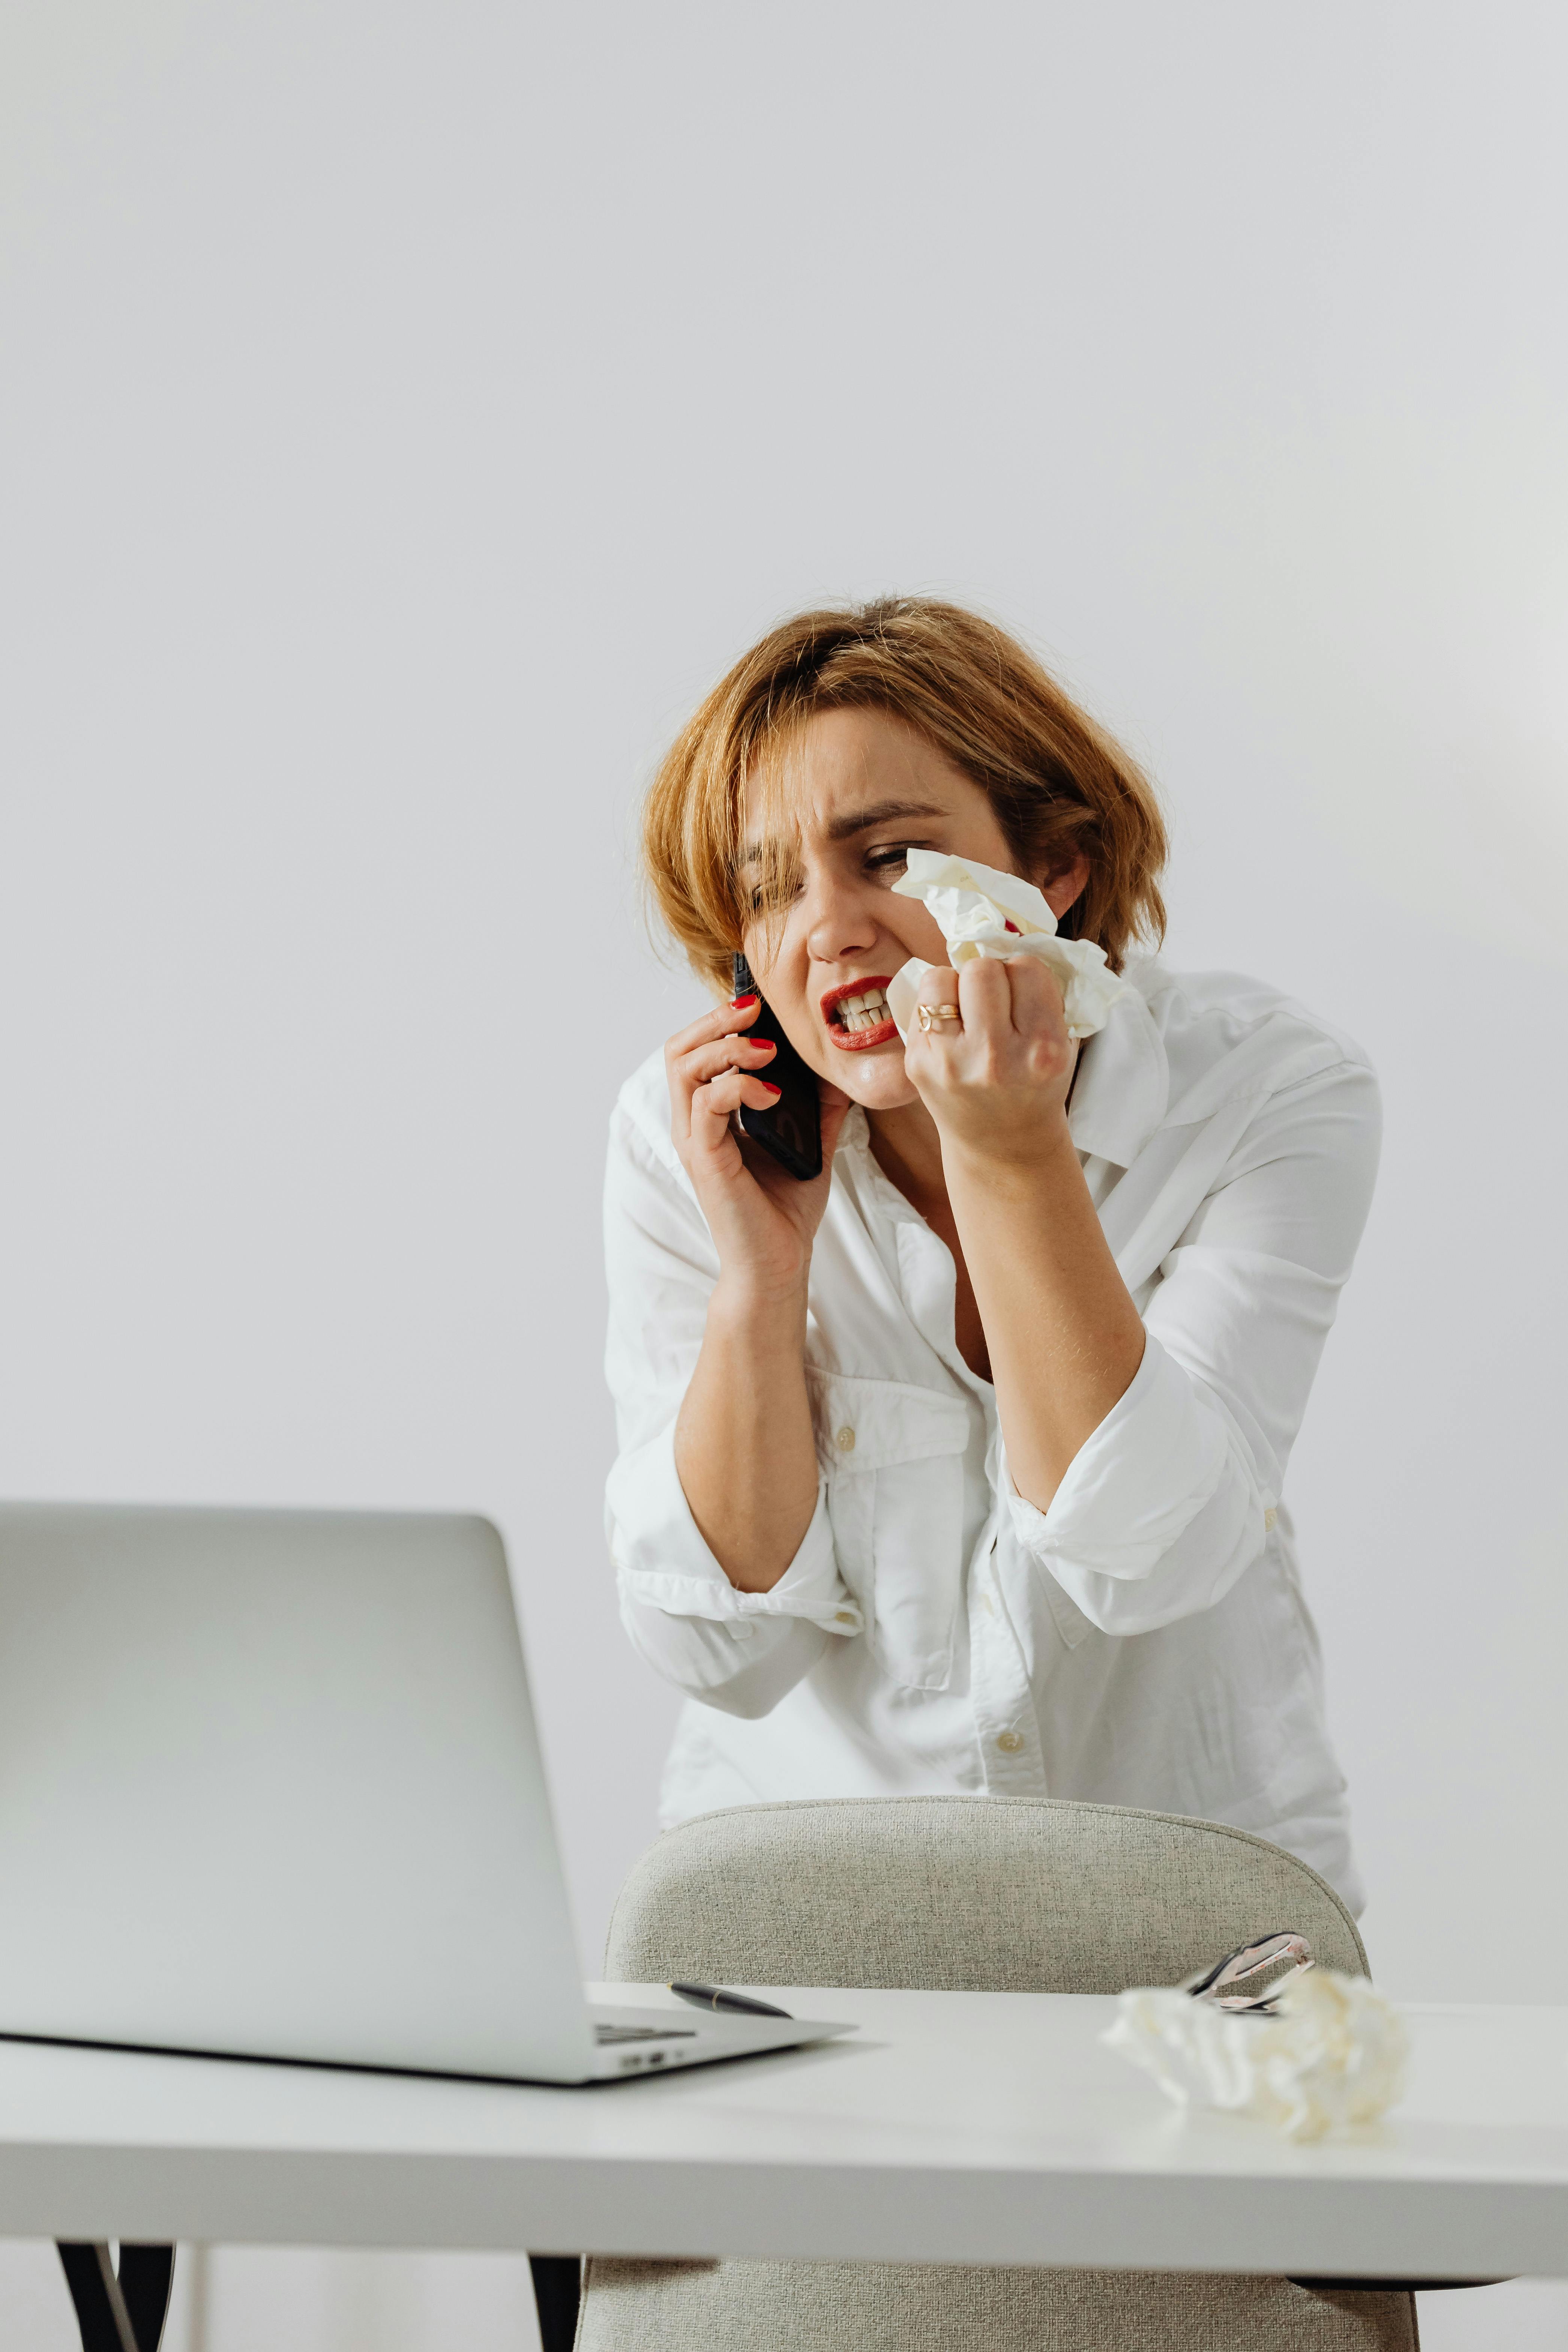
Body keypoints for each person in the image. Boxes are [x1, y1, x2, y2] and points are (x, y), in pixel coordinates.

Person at [604, 598, 1379, 1907]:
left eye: (891, 857)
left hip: (1192, 1911)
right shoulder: (688, 1134)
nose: (829, 929)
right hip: (806, 1915)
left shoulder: (1263, 1091)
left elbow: (1146, 1561)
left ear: (1054, 869)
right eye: (768, 884)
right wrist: (760, 1280)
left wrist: (1011, 1156)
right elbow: (717, 1654)